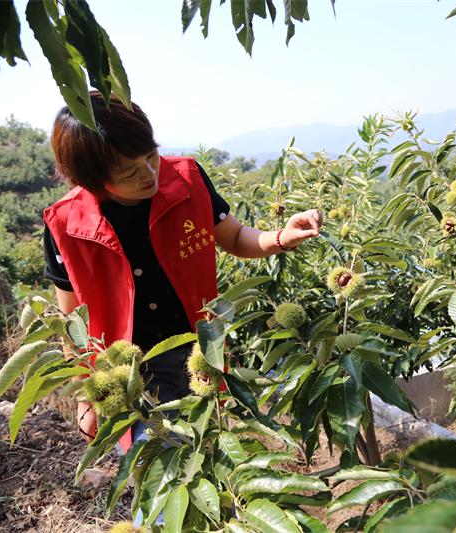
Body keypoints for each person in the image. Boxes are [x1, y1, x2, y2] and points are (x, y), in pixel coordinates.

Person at [43, 91, 322, 448]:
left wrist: (283, 236)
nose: (149, 174)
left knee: (208, 451)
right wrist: (85, 398)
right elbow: (73, 325)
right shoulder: (65, 226)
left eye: (151, 156)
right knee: (158, 469)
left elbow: (235, 237)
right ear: (93, 181)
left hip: (199, 348)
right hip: (129, 373)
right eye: (130, 171)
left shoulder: (187, 179)